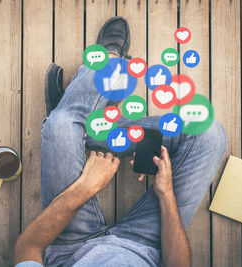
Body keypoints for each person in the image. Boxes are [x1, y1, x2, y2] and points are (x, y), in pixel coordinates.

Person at [14, 17, 226, 267]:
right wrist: (166, 193)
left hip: (70, 245)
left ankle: (104, 66)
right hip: (146, 245)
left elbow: (28, 247)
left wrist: (86, 186)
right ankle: (82, 118)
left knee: (60, 125)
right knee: (208, 132)